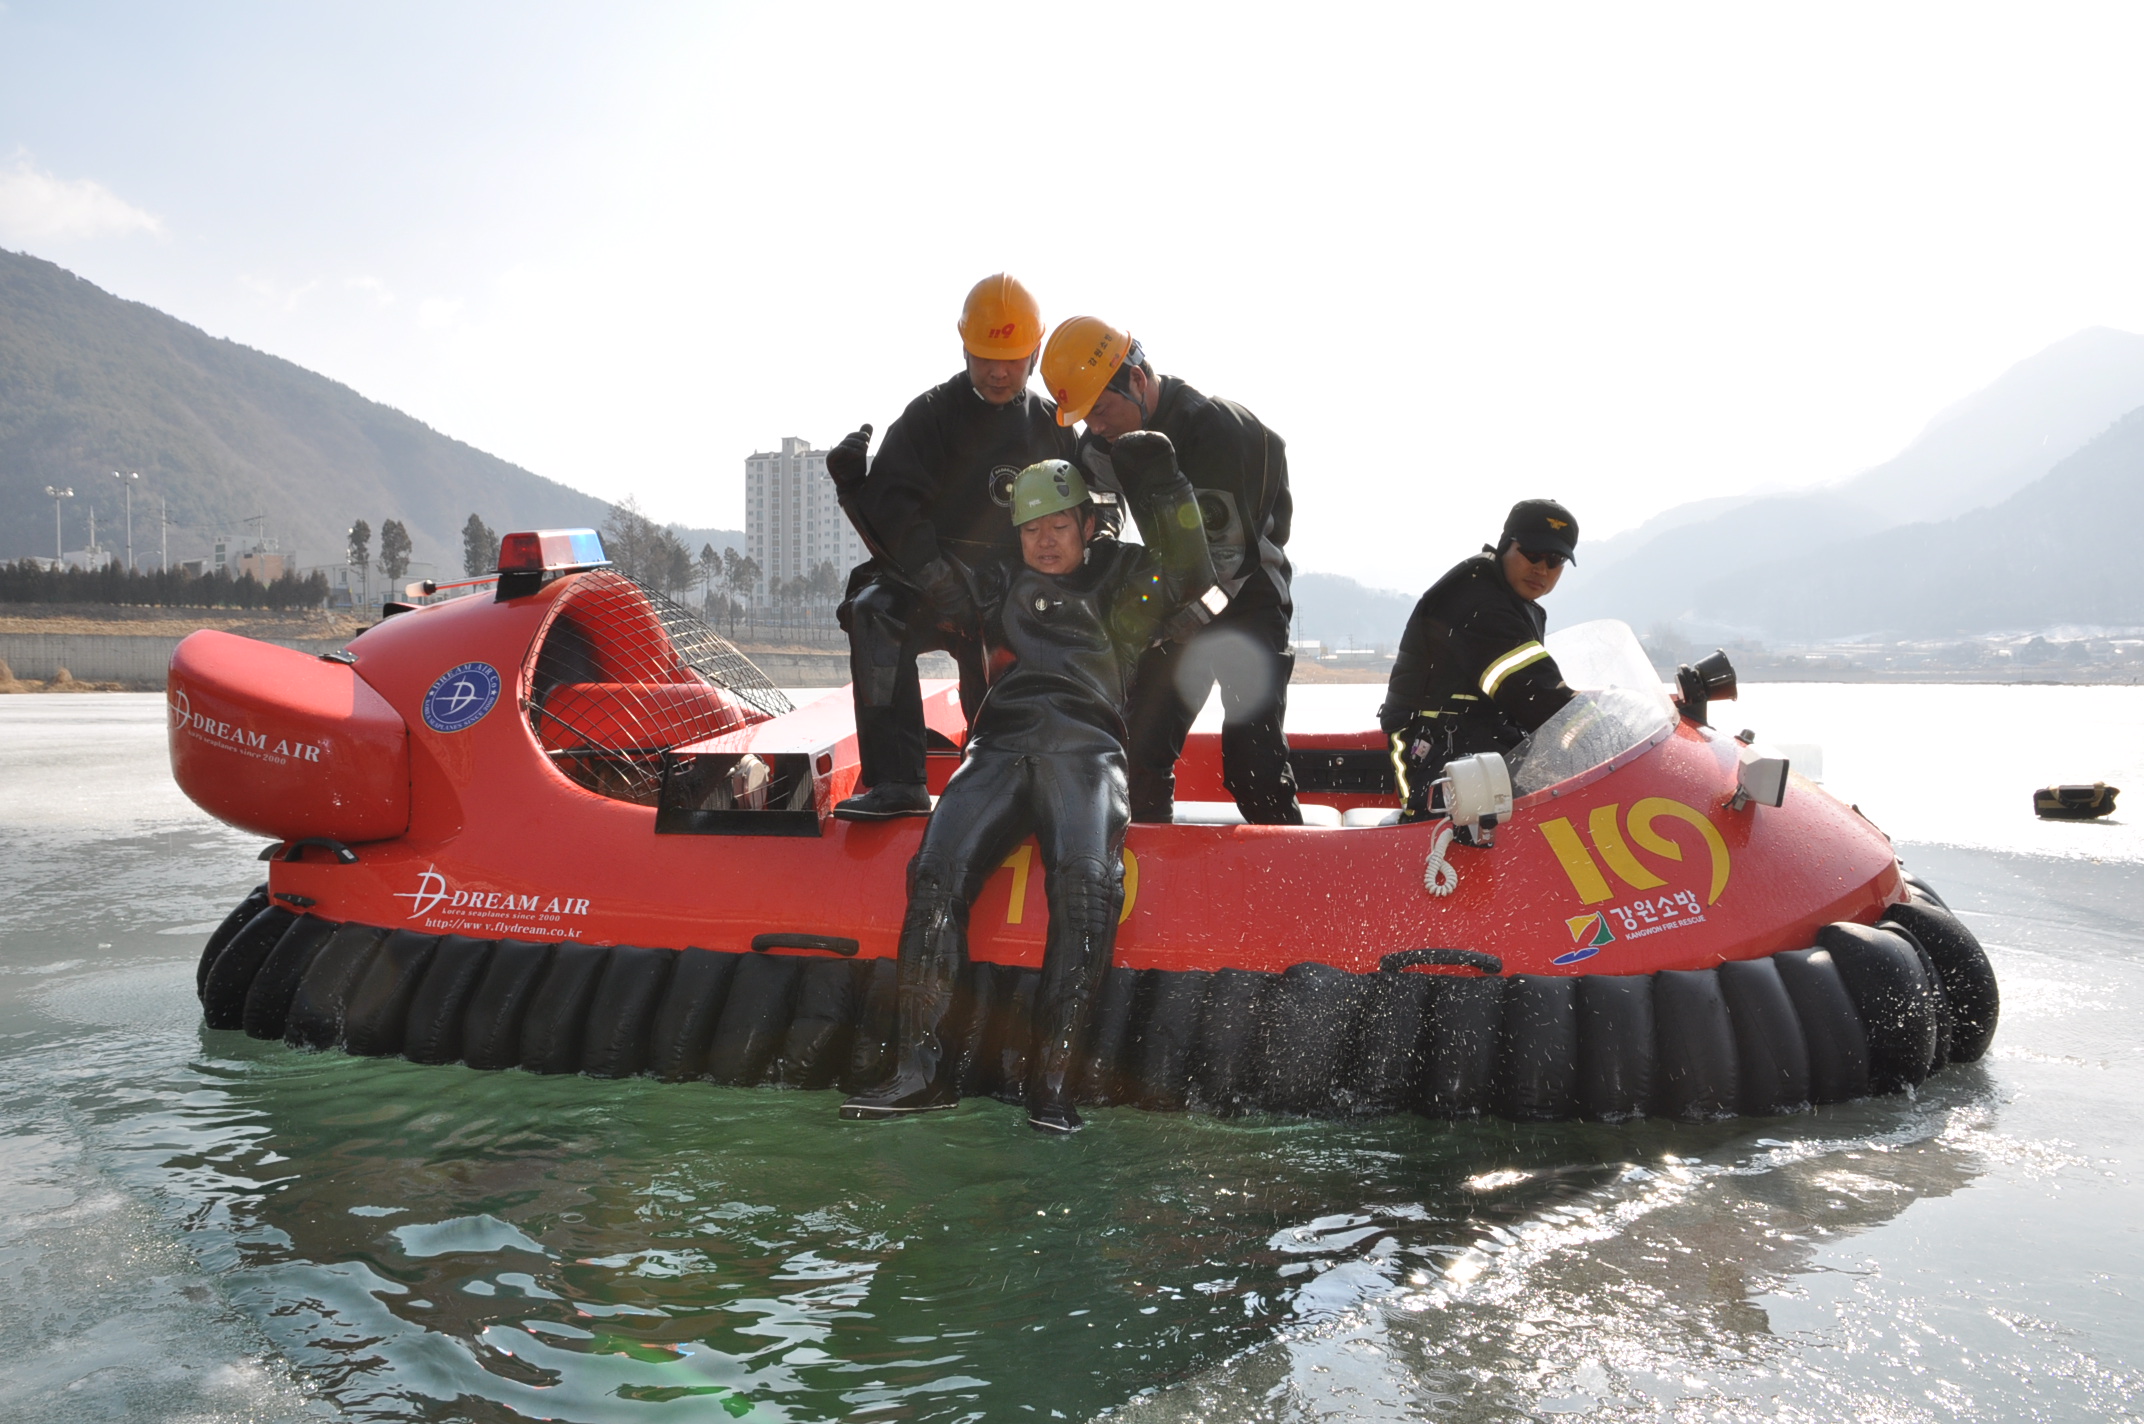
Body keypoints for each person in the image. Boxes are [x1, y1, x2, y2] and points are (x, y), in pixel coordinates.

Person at [840, 440, 1215, 1133]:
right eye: (1032, 529)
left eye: (1059, 526)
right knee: (935, 876)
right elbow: (914, 564)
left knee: (1086, 889)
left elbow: (1195, 569)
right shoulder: (991, 582)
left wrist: (1163, 479)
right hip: (997, 748)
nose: (1045, 541)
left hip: (1087, 752)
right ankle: (921, 1076)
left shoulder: (1125, 580)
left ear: (1088, 525)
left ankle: (1052, 1089)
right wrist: (856, 489)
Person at [828, 274, 1078, 820]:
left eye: (1011, 360)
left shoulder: (1052, 427)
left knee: (1005, 671)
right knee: (875, 613)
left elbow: (1086, 512)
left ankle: (1017, 781)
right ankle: (897, 781)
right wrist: (938, 580)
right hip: (928, 581)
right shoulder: (930, 416)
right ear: (964, 349)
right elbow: (894, 508)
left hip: (1012, 592)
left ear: (1034, 355)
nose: (997, 372)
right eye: (985, 358)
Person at [1039, 317, 1303, 827]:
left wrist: (1164, 624)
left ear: (1137, 380)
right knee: (1137, 748)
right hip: (1174, 591)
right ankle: (1141, 853)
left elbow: (1228, 563)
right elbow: (1100, 508)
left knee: (1255, 764)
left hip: (1247, 599)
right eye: (1085, 416)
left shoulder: (1219, 432)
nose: (1096, 425)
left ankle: (1290, 859)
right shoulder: (1101, 443)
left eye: (1101, 410)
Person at [1379, 499, 1581, 822]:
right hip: (1435, 750)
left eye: (1555, 560)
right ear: (1505, 545)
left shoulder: (1512, 597)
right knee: (1493, 821)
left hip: (1481, 737)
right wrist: (1601, 731)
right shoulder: (1476, 598)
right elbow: (1532, 690)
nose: (1541, 568)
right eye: (1532, 554)